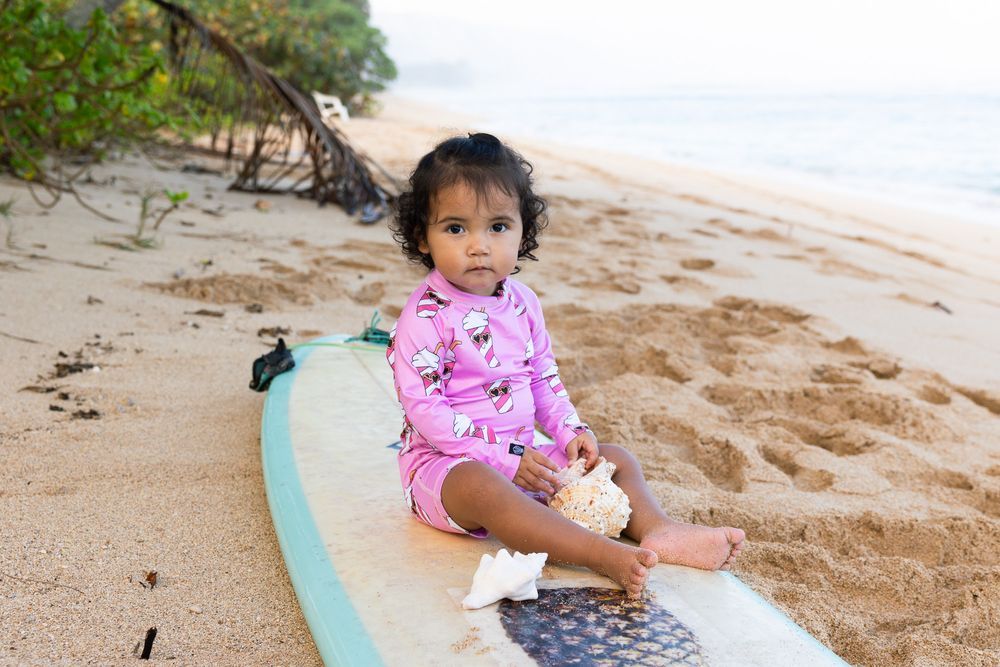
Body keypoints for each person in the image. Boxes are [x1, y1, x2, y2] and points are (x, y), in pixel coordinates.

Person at [387, 132, 744, 597]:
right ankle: (599, 554)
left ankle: (658, 528)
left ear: (522, 231)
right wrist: (503, 460)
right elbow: (426, 411)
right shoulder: (425, 316)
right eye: (456, 228)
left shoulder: (522, 303)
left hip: (522, 456)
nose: (479, 246)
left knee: (614, 458)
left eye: (497, 227)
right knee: (484, 488)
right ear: (423, 237)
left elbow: (542, 378)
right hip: (447, 470)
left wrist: (570, 431)